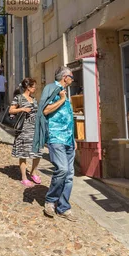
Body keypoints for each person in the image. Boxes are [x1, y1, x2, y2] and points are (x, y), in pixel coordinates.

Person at [32, 66, 77, 221]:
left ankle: (63, 207)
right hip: (56, 137)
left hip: (68, 139)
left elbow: (68, 118)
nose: (72, 79)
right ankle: (51, 201)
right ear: (65, 77)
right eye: (71, 76)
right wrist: (63, 99)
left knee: (69, 174)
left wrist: (74, 138)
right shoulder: (51, 89)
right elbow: (44, 110)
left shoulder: (65, 92)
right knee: (63, 169)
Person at [9, 78, 42, 186]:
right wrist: (22, 109)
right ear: (28, 87)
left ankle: (33, 172)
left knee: (37, 152)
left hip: (35, 129)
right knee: (23, 153)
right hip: (23, 129)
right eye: (33, 86)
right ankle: (24, 177)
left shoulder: (33, 99)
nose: (35, 88)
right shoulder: (18, 98)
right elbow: (11, 110)